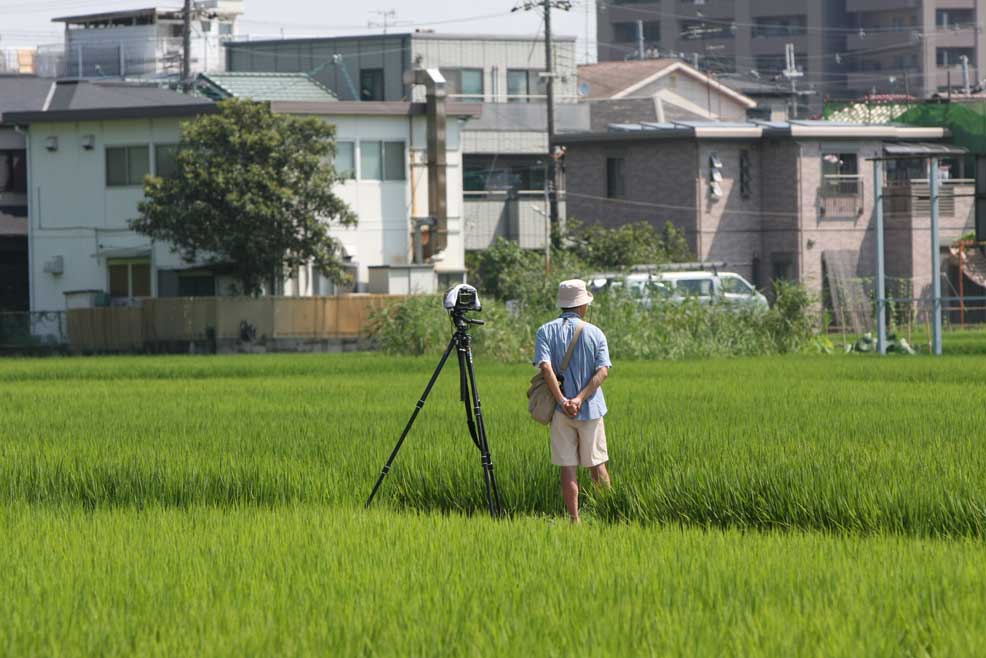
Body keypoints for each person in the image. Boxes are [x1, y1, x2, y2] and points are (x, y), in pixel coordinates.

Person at [533, 279, 612, 522]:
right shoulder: (595, 332)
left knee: (567, 467)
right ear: (582, 306)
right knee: (597, 466)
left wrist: (563, 400)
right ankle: (609, 514)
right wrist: (578, 399)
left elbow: (545, 368)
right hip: (590, 409)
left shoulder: (545, 331)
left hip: (560, 412)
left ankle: (574, 519)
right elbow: (603, 371)